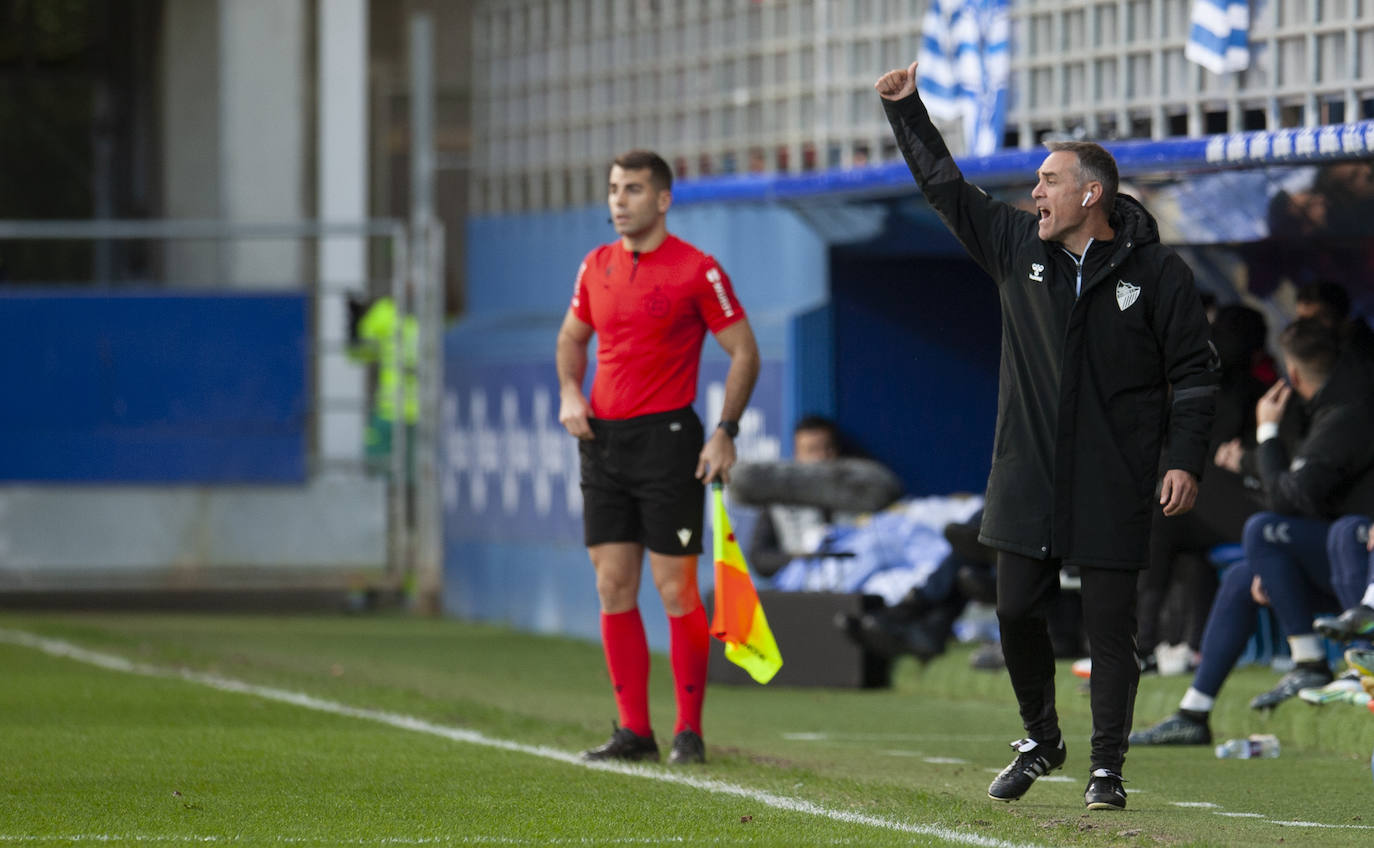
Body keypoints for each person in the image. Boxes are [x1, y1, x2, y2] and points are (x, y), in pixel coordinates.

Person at [876, 61, 1218, 811]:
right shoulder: (1013, 247)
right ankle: (1041, 737)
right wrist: (909, 112)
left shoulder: (1158, 275)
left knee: (1109, 630)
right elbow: (945, 188)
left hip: (1113, 477)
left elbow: (1195, 375)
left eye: (1047, 181)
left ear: (1089, 194)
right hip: (1027, 471)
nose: (1033, 193)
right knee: (1014, 610)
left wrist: (1183, 461)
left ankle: (1106, 771)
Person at [555, 150, 760, 766]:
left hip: (668, 440)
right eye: (614, 189)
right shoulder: (595, 266)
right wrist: (570, 392)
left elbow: (744, 352)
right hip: (603, 444)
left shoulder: (698, 271)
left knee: (676, 590)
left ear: (663, 200)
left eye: (634, 190)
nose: (619, 201)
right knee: (613, 583)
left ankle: (689, 731)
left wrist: (724, 431)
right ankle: (633, 732)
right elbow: (571, 338)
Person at [1131, 318, 1374, 744]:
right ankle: (1195, 711)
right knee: (1246, 574)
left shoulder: (1346, 415)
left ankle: (1322, 664)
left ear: (1292, 373)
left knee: (1267, 529)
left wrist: (1266, 430)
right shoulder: (1319, 409)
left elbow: (1287, 500)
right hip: (1339, 561)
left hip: (1356, 554)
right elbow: (1299, 492)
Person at [1134, 305, 1270, 673]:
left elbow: (1270, 459)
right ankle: (1144, 646)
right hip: (1198, 509)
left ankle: (1162, 647)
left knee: (1168, 507)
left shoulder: (1263, 395)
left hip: (1249, 503)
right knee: (1162, 525)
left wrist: (1244, 457)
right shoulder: (1187, 386)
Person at [748, 415, 845, 578]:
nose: (821, 457)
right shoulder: (780, 498)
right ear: (797, 455)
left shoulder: (858, 494)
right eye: (812, 450)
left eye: (828, 448)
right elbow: (759, 558)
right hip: (803, 589)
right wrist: (801, 559)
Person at [348, 294, 418, 476]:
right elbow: (358, 355)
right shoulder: (386, 313)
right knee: (379, 470)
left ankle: (404, 503)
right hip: (390, 410)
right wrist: (354, 327)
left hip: (416, 413)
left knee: (413, 477)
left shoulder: (432, 315)